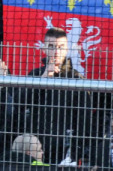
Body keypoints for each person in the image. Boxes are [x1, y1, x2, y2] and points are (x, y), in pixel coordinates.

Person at [20, 27, 91, 165]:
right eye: (51, 47)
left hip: (64, 151)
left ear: (66, 49)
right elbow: (19, 104)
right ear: (44, 49)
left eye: (60, 47)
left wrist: (75, 152)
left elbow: (85, 121)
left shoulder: (77, 79)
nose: (56, 51)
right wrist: (43, 79)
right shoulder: (34, 75)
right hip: (35, 148)